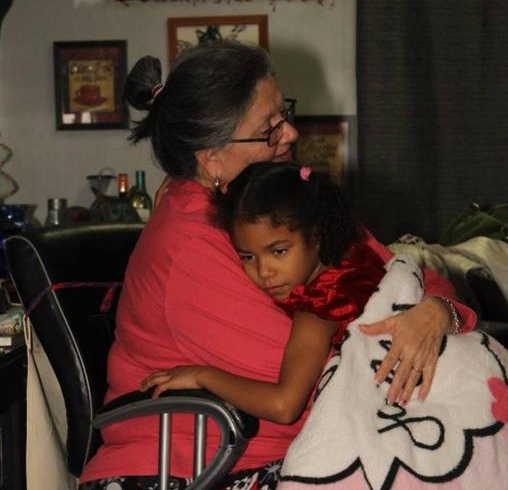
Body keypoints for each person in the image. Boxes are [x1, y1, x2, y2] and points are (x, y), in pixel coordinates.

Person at [76, 40, 475, 490]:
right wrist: (398, 331)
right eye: (269, 129)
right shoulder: (193, 244)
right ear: (211, 158)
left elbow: (405, 273)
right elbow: (312, 386)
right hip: (176, 477)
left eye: (283, 113)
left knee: (453, 478)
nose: (290, 133)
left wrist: (436, 313)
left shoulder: (282, 201)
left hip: (277, 454)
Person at [141, 161, 389, 420]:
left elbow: (283, 406)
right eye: (247, 257)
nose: (264, 271)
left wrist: (202, 375)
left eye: (279, 251)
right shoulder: (356, 258)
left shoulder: (320, 306)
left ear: (316, 236)